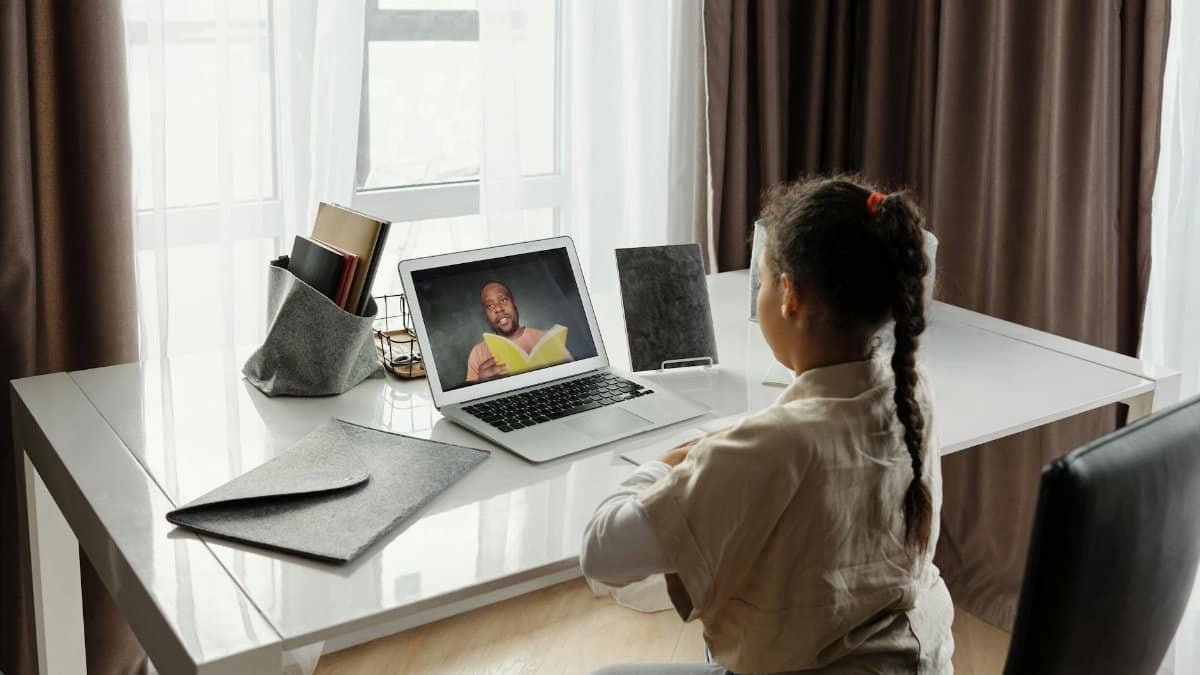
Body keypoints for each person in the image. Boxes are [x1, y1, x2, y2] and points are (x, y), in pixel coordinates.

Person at [580, 176, 953, 674]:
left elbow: (601, 553)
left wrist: (669, 460)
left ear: (789, 295)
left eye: (762, 276)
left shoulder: (771, 447)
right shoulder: (914, 393)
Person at [465, 280, 572, 383]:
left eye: (503, 300)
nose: (498, 309)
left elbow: (573, 378)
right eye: (489, 305)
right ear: (486, 314)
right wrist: (481, 385)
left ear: (514, 303)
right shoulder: (477, 353)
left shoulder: (548, 340)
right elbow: (470, 398)